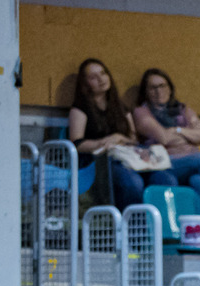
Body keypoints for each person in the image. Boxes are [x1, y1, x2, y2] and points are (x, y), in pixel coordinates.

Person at [69, 58, 173, 209]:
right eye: (93, 77)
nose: (101, 79)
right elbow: (76, 143)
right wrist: (104, 143)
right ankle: (131, 222)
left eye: (103, 73)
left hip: (127, 157)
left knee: (166, 179)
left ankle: (159, 222)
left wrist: (119, 138)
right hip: (100, 162)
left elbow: (133, 139)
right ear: (85, 83)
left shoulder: (120, 107)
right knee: (133, 182)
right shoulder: (80, 108)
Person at [131, 68, 200, 204]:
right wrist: (190, 137)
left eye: (162, 86)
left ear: (169, 88)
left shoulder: (183, 109)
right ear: (146, 92)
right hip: (163, 162)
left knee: (198, 181)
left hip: (188, 161)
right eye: (153, 88)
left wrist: (177, 130)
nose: (158, 91)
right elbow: (164, 138)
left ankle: (198, 218)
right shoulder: (141, 112)